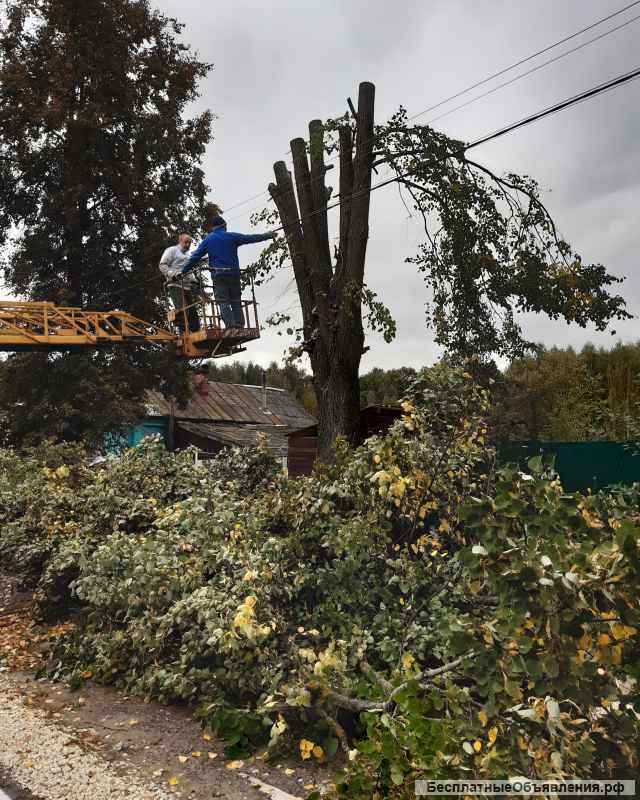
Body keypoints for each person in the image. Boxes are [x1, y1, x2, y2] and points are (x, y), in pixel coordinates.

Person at [181, 216, 276, 329]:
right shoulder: (232, 237)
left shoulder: (209, 240)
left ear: (213, 228)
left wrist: (183, 271)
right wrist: (268, 235)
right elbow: (251, 238)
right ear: (224, 226)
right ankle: (240, 325)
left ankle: (230, 326)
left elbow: (195, 257)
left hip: (219, 275)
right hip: (234, 274)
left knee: (223, 301)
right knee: (236, 300)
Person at [158, 233, 202, 333]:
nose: (188, 245)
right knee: (183, 311)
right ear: (180, 241)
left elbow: (187, 269)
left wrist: (194, 280)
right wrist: (173, 275)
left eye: (189, 243)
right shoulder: (171, 251)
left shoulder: (188, 255)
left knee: (193, 312)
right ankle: (184, 334)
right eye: (186, 242)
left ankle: (196, 334)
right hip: (175, 285)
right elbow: (162, 265)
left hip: (187, 286)